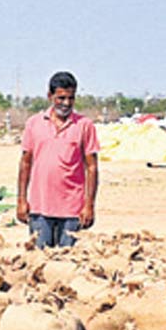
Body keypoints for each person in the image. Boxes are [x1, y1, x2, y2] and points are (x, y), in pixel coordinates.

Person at [16, 71, 100, 248]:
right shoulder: (34, 123)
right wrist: (21, 200)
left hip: (72, 210)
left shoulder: (84, 125)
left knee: (69, 263)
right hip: (40, 208)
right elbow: (25, 162)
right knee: (39, 260)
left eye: (71, 98)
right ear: (50, 96)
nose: (66, 103)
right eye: (61, 98)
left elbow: (91, 167)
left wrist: (89, 205)